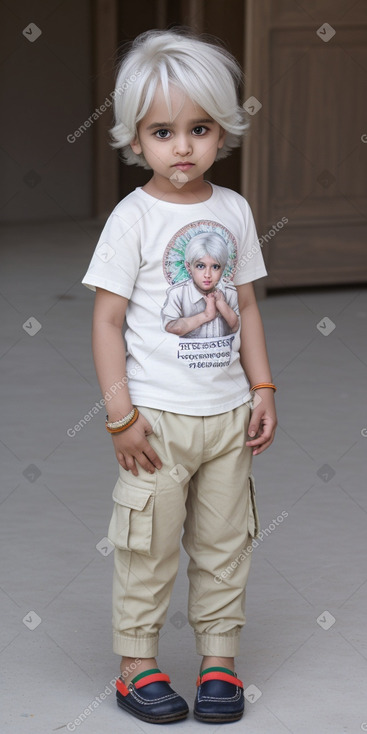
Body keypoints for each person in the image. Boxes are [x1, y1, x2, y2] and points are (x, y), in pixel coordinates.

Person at [82, 27, 277, 725]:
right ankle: (137, 666)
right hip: (155, 424)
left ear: (222, 128)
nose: (184, 147)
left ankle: (218, 661)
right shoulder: (132, 220)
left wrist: (261, 388)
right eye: (163, 131)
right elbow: (106, 324)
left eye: (198, 128)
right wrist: (120, 416)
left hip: (225, 419)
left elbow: (246, 305)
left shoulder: (234, 211)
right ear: (135, 140)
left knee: (226, 542)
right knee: (148, 544)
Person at [161, 232, 240, 338]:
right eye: (200, 266)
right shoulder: (177, 294)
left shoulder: (229, 293)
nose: (208, 275)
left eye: (215, 267)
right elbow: (172, 327)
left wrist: (222, 304)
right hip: (187, 354)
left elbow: (236, 327)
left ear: (223, 268)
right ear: (188, 267)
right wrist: (206, 315)